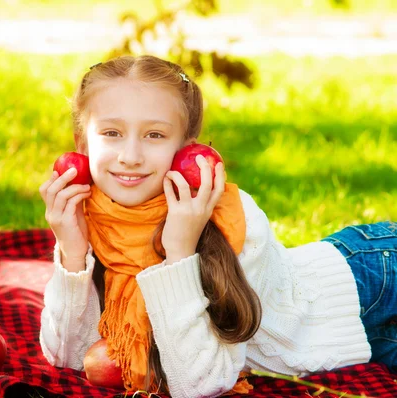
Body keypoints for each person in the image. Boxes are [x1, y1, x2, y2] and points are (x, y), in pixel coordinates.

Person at [38, 54, 396, 398]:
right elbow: (71, 358)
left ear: (185, 149)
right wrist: (72, 252)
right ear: (81, 143)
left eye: (155, 136)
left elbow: (198, 385)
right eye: (112, 133)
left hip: (372, 280)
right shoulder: (88, 215)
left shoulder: (227, 216)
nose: (130, 156)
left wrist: (179, 249)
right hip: (366, 345)